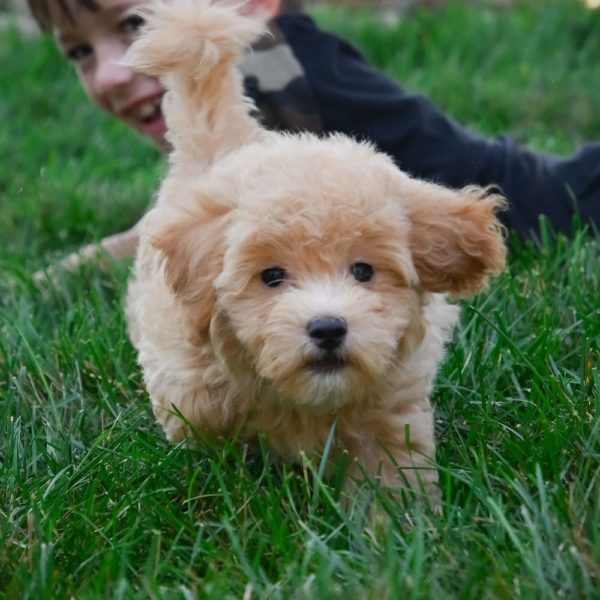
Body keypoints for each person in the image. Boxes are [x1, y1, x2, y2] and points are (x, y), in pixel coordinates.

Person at [27, 0, 599, 274]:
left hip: (548, 207)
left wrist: (65, 274)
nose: (106, 72)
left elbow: (200, 222)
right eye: (80, 51)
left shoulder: (270, 63)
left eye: (133, 24)